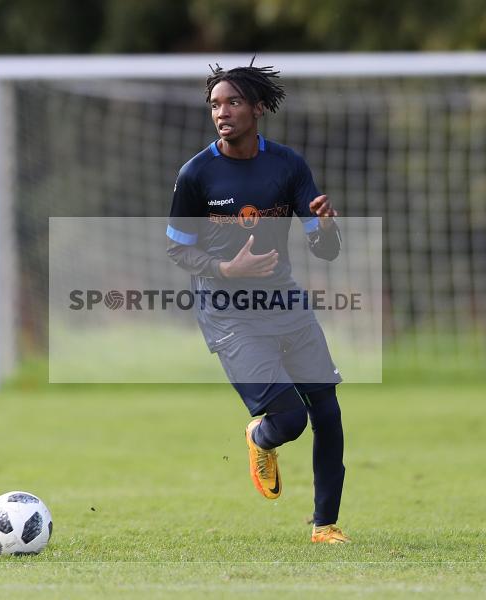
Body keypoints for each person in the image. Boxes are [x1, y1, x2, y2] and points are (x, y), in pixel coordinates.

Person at [165, 60, 350, 544]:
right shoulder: (196, 174)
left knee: (327, 413)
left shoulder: (288, 165)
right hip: (230, 317)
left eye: (233, 102)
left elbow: (324, 249)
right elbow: (177, 248)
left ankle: (325, 526)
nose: (221, 112)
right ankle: (259, 438)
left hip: (286, 307)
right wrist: (226, 270)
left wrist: (327, 227)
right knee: (290, 419)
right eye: (215, 105)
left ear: (259, 108)